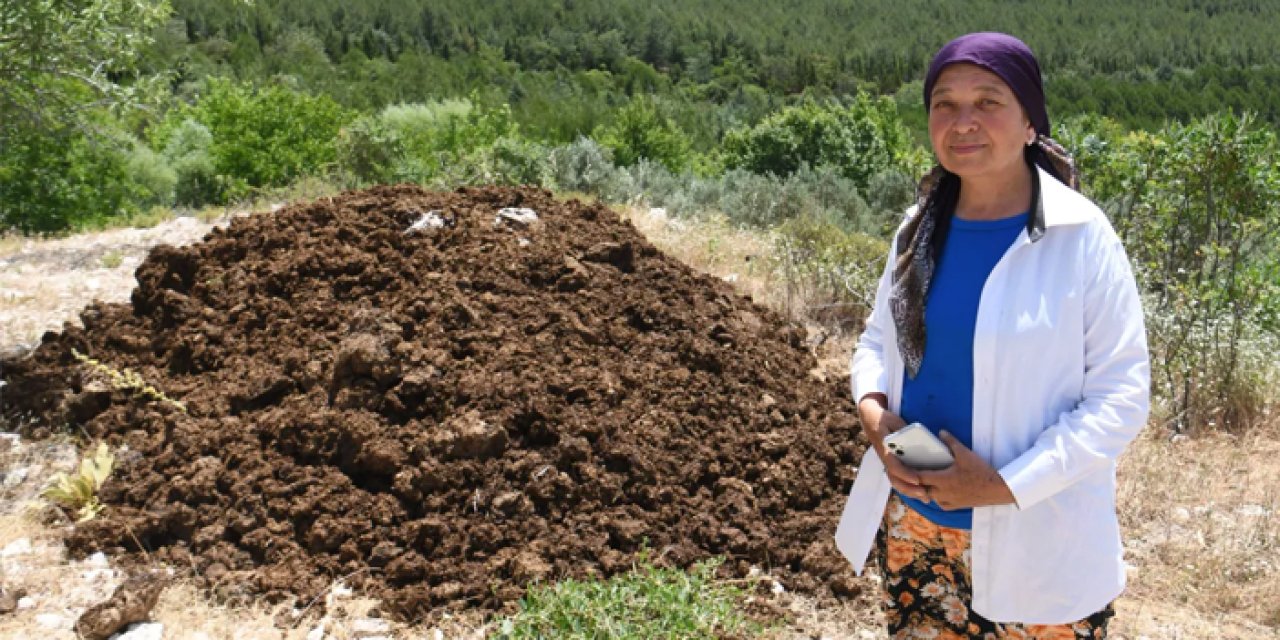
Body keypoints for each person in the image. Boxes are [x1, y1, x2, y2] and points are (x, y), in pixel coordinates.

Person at [837, 32, 1150, 639]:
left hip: (1037, 537)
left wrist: (1002, 485)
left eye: (988, 101)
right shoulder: (918, 228)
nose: (963, 122)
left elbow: (1121, 398)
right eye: (944, 105)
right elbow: (877, 342)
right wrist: (874, 415)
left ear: (1031, 121)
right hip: (916, 531)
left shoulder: (1081, 237)